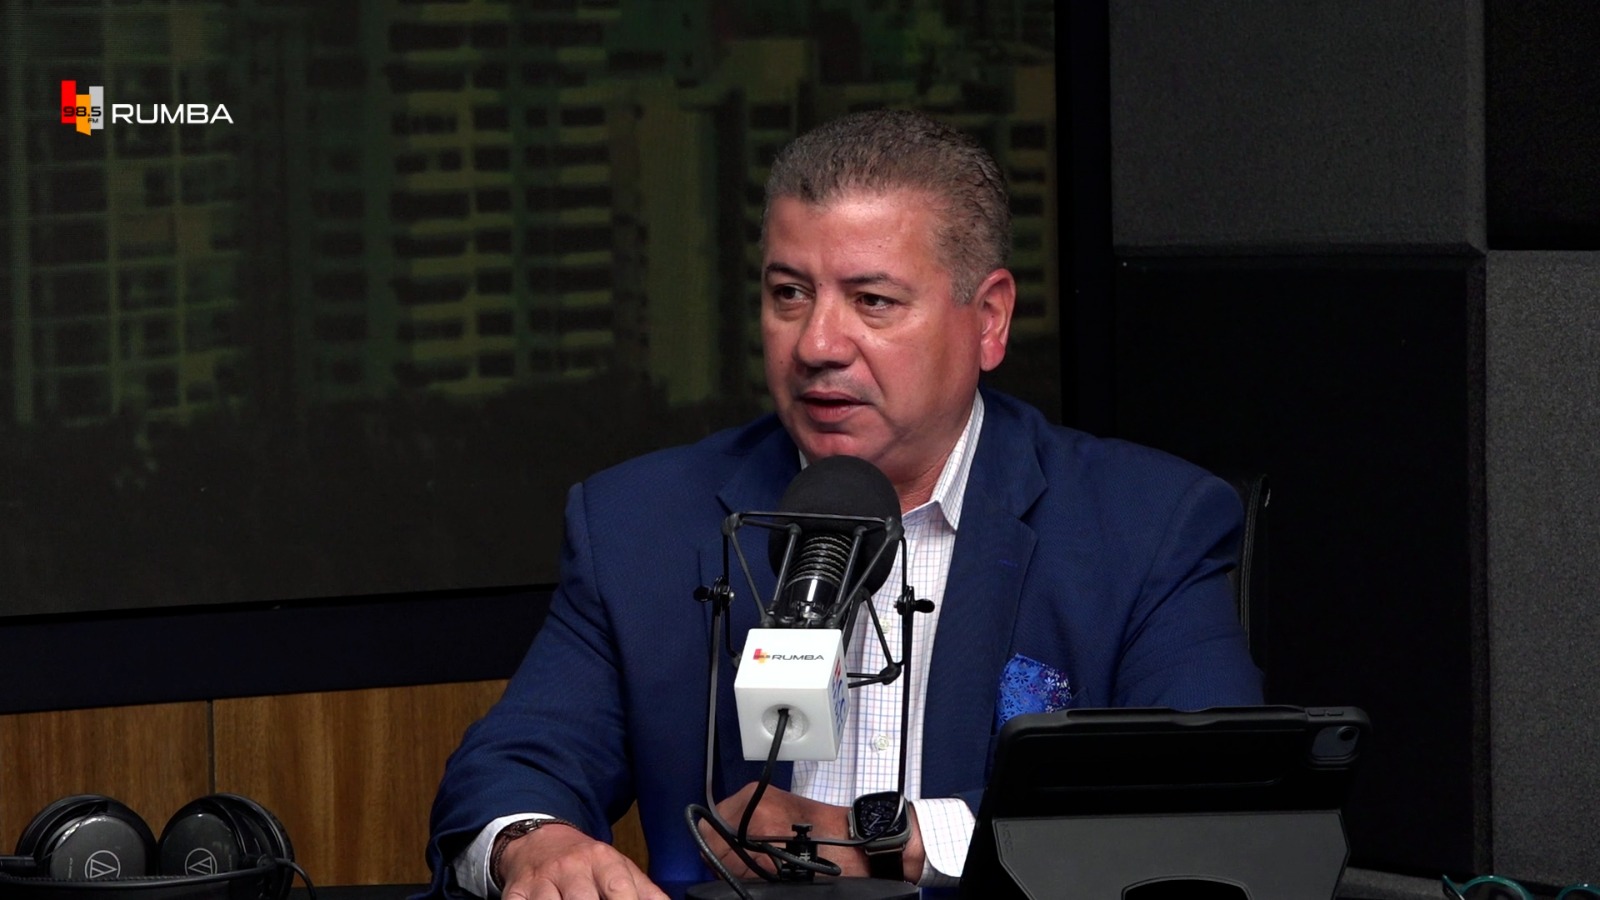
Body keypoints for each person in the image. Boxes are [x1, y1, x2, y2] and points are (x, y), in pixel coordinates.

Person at [423, 109, 1263, 899]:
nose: (818, 345)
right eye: (790, 294)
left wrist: (885, 841)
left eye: (873, 301)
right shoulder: (642, 522)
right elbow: (509, 771)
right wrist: (534, 845)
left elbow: (1205, 807)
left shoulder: (1147, 525)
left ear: (988, 320)